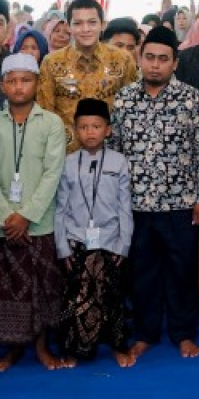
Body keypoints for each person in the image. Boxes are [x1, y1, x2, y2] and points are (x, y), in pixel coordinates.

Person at [111, 26, 199, 362]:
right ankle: (145, 333)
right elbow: (114, 151)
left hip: (180, 203)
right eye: (149, 57)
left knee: (182, 272)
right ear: (140, 59)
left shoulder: (193, 100)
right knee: (142, 272)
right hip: (136, 204)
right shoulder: (123, 99)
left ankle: (183, 333)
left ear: (175, 62)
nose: (155, 65)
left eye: (162, 59)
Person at [0, 54, 69, 372]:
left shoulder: (51, 123)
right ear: (2, 85)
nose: (19, 87)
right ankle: (11, 349)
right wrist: (8, 216)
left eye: (26, 80)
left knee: (43, 287)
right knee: (6, 288)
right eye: (13, 80)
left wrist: (27, 215)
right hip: (2, 223)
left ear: (37, 83)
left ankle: (42, 347)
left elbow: (52, 173)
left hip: (40, 221)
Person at [55, 99, 134, 367]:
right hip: (77, 240)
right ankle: (75, 347)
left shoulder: (119, 162)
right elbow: (60, 209)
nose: (90, 132)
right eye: (84, 127)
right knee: (77, 296)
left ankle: (117, 345)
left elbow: (125, 208)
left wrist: (123, 246)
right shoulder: (67, 163)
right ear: (76, 130)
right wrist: (62, 247)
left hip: (110, 240)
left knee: (111, 296)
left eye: (97, 126)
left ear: (108, 130)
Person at [37, 0, 138, 152]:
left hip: (112, 155)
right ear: (69, 26)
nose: (85, 29)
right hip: (66, 156)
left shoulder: (122, 60)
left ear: (102, 25)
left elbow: (131, 109)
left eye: (92, 22)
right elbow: (45, 114)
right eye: (78, 23)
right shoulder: (52, 62)